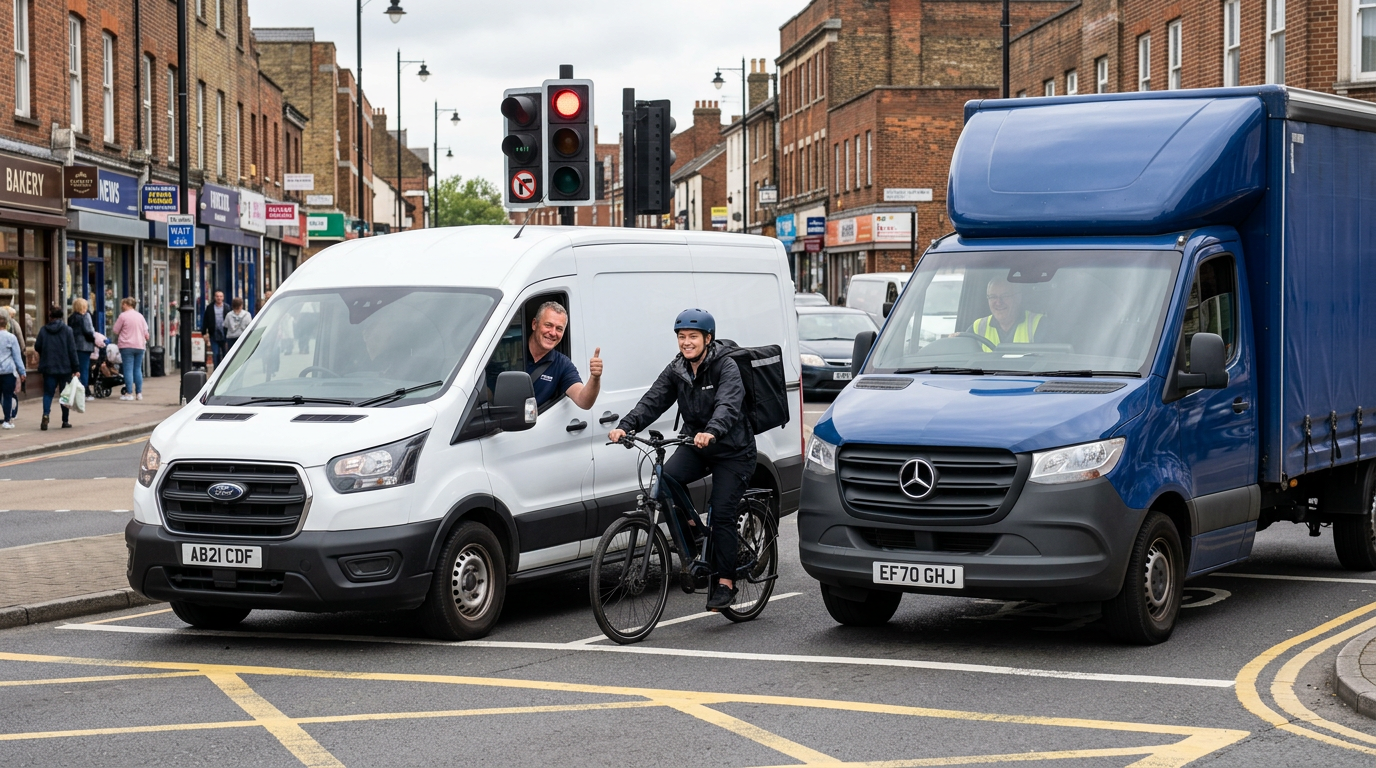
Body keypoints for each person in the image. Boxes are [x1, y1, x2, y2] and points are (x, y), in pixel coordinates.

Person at [607, 309, 756, 611]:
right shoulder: (677, 369)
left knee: (722, 511)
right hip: (696, 443)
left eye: (692, 337)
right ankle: (696, 536)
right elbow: (654, 400)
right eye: (681, 337)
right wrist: (626, 425)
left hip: (733, 450)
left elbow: (728, 404)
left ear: (707, 338)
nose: (686, 343)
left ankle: (726, 582)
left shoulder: (725, 366)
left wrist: (712, 430)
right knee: (664, 479)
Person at [491, 301, 602, 409]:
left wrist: (595, 378)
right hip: (501, 424)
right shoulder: (507, 350)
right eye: (548, 325)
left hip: (539, 425)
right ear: (535, 324)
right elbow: (486, 391)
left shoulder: (562, 364)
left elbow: (584, 401)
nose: (553, 333)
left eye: (559, 329)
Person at [33, 305, 79, 430]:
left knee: (48, 393)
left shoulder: (43, 330)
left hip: (48, 367)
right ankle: (65, 421)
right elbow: (72, 350)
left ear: (50, 316)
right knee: (65, 395)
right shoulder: (68, 330)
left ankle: (46, 414)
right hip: (65, 367)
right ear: (62, 316)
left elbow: (37, 346)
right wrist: (76, 369)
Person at [971, 277, 1043, 347]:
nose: (998, 302)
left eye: (1005, 296)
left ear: (1018, 298)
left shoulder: (1039, 324)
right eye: (993, 297)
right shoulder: (978, 327)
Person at [112, 298, 150, 401]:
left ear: (126, 304)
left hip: (127, 345)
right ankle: (139, 393)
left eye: (123, 304)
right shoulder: (140, 316)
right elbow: (146, 333)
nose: (122, 306)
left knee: (128, 369)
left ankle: (129, 393)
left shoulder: (123, 316)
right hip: (140, 346)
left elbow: (115, 330)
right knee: (137, 369)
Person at [0, 312, 24, 429]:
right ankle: (7, 420)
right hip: (8, 372)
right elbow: (17, 357)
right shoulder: (11, 338)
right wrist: (22, 372)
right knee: (8, 396)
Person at [68, 298, 95, 395]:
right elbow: (88, 331)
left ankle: (75, 389)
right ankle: (83, 390)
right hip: (84, 346)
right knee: (84, 369)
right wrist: (94, 339)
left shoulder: (71, 318)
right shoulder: (85, 317)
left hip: (74, 346)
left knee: (75, 369)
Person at [201, 290, 229, 367]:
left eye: (220, 296)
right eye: (217, 296)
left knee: (225, 354)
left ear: (223, 298)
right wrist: (204, 333)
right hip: (214, 334)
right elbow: (205, 320)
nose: (219, 298)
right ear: (214, 297)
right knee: (216, 354)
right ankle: (216, 370)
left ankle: (224, 369)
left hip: (224, 334)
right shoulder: (210, 308)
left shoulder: (227, 307)